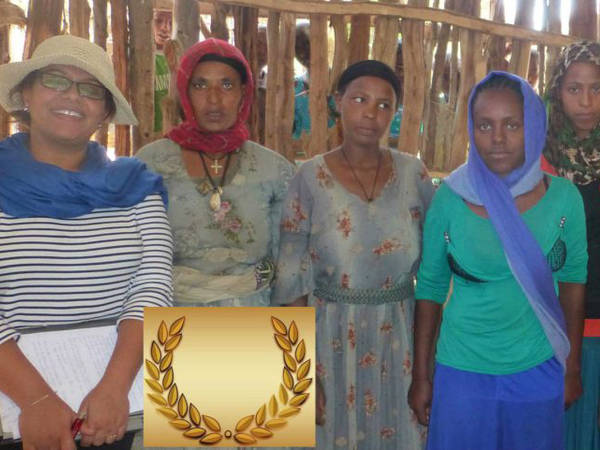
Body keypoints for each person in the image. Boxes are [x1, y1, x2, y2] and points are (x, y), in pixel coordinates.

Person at [0, 35, 173, 449]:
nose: (72, 96)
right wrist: (37, 400)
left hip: (120, 403)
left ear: (105, 112)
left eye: (91, 89)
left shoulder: (136, 185)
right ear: (25, 93)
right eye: (55, 80)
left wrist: (114, 388)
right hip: (14, 405)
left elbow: (153, 285)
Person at [409, 71, 587, 450]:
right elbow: (430, 287)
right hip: (462, 371)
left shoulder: (565, 199)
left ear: (533, 126)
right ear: (472, 130)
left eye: (512, 124)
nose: (498, 138)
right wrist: (422, 376)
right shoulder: (451, 198)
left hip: (538, 367)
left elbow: (573, 281)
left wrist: (571, 366)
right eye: (485, 125)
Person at [273, 60, 434, 449]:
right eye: (360, 99)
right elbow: (290, 281)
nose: (371, 113)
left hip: (399, 341)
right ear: (337, 102)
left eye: (384, 105)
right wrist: (302, 374)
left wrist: (425, 371)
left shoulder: (415, 175)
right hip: (328, 341)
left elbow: (433, 274)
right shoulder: (309, 178)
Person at [136, 38, 294, 307]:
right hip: (172, 320)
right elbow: (134, 257)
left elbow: (291, 264)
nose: (214, 99)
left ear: (244, 93)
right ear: (185, 92)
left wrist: (291, 339)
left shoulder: (275, 170)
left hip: (255, 320)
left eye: (226, 84)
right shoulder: (151, 164)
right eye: (200, 85)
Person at [542, 40, 600, 450]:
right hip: (550, 326)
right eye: (574, 88)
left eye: (597, 88)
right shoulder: (536, 159)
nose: (587, 101)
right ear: (557, 92)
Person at [153, 8, 173, 132]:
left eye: (171, 23)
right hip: (147, 128)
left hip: (172, 129)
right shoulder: (136, 56)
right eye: (158, 21)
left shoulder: (180, 57)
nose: (165, 28)